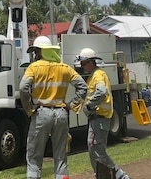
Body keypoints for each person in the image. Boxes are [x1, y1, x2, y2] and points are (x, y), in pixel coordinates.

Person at [20, 36, 86, 179]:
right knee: (60, 156)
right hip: (61, 114)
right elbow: (83, 87)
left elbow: (23, 88)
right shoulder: (64, 68)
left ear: (41, 52)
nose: (35, 55)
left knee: (34, 157)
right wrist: (72, 105)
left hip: (41, 114)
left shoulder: (34, 67)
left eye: (36, 52)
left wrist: (29, 109)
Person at [76, 48, 131, 179]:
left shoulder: (98, 75)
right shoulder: (95, 75)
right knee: (96, 151)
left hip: (99, 119)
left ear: (90, 62)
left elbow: (101, 91)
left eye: (83, 63)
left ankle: (120, 177)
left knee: (98, 152)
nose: (82, 67)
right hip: (98, 120)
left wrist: (90, 105)